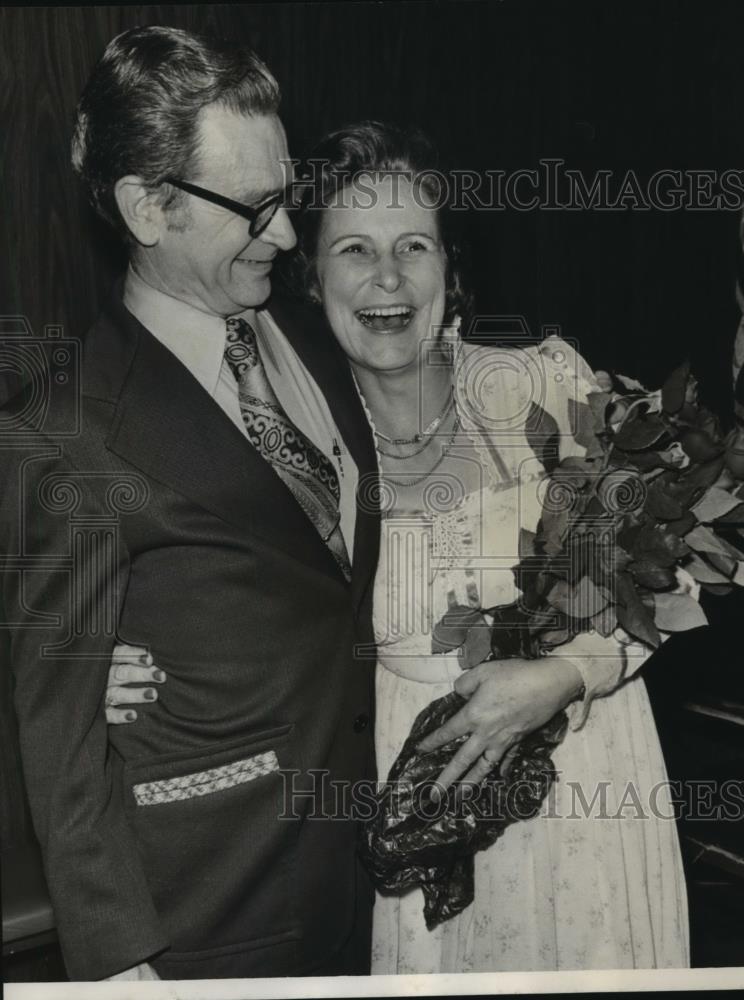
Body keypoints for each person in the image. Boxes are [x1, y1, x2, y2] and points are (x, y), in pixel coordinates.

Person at [111, 120, 690, 972]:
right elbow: (217, 583)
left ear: (450, 273)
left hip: (588, 793)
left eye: (413, 245)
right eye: (353, 249)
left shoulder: (543, 381)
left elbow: (683, 554)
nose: (387, 277)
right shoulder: (296, 445)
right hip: (407, 812)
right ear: (312, 277)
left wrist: (569, 673)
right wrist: (115, 652)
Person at [0, 28, 381, 981]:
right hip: (207, 914)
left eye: (285, 198)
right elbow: (60, 732)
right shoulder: (70, 428)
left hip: (357, 880)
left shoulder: (309, 335)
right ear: (146, 207)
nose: (289, 236)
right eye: (253, 209)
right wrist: (118, 956)